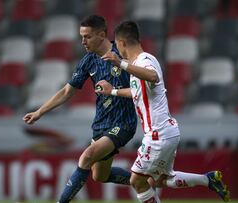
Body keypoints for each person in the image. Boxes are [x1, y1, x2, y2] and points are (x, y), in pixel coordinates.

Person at [97, 21, 230, 202]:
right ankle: (208, 179)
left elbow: (153, 76)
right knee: (160, 180)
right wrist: (112, 91)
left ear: (122, 43)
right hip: (165, 132)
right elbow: (137, 91)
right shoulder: (138, 65)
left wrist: (120, 63)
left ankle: (207, 180)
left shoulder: (145, 60)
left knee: (137, 181)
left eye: (116, 44)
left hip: (158, 134)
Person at [23, 15, 137, 203]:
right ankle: (143, 180)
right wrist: (39, 112)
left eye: (87, 36)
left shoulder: (122, 51)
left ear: (101, 35)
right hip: (101, 124)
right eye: (81, 37)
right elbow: (67, 91)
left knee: (86, 157)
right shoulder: (88, 61)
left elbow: (143, 81)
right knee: (99, 175)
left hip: (124, 123)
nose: (83, 41)